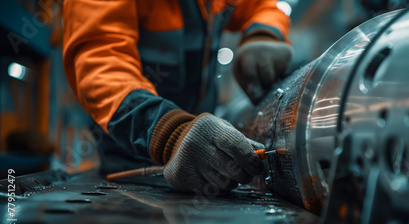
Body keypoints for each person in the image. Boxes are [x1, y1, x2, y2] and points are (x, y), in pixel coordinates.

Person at [62, 0, 292, 194]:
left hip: (204, 149)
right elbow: (101, 64)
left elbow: (262, 6)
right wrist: (170, 133)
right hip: (132, 159)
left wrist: (263, 32)